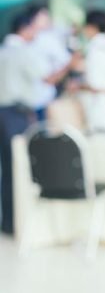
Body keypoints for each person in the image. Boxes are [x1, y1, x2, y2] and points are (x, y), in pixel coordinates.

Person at [0, 13, 56, 235]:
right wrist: (69, 65)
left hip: (3, 113)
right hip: (16, 115)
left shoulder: (3, 50)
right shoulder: (22, 53)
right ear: (24, 29)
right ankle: (19, 223)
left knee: (6, 169)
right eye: (34, 29)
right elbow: (47, 78)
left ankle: (8, 222)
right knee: (19, 168)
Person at [27, 4, 72, 121]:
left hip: (39, 97)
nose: (48, 19)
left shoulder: (40, 38)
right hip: (40, 97)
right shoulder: (44, 38)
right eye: (44, 16)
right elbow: (67, 61)